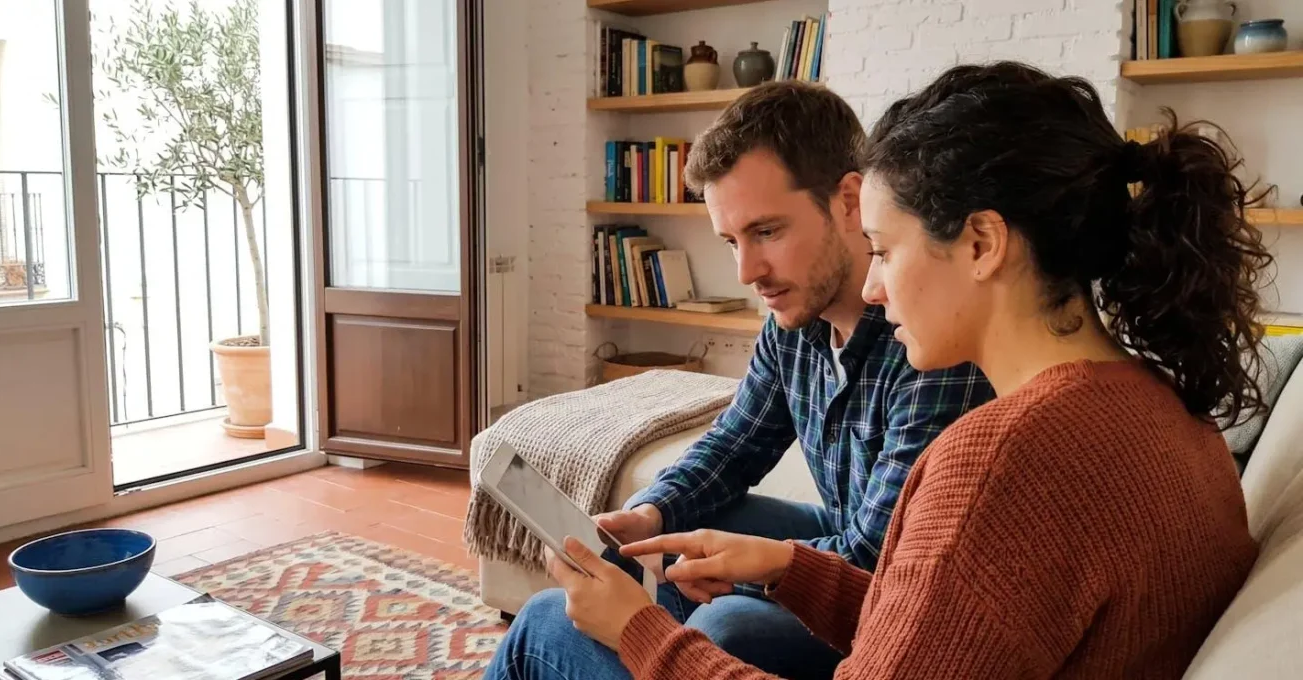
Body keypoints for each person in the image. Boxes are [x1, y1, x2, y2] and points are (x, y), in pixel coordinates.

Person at [485, 61, 1268, 680]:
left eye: (886, 251)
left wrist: (640, 631)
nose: (872, 286)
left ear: (982, 244)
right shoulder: (1168, 408)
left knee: (546, 626)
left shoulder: (997, 459)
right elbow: (949, 618)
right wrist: (789, 568)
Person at [585, 80, 991, 678]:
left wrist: (747, 571)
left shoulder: (930, 340)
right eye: (731, 241)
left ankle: (671, 646)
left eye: (767, 231)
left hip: (894, 588)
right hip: (848, 533)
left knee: (726, 622)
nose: (747, 272)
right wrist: (652, 511)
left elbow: (877, 557)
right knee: (663, 539)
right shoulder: (793, 318)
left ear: (848, 201)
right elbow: (736, 444)